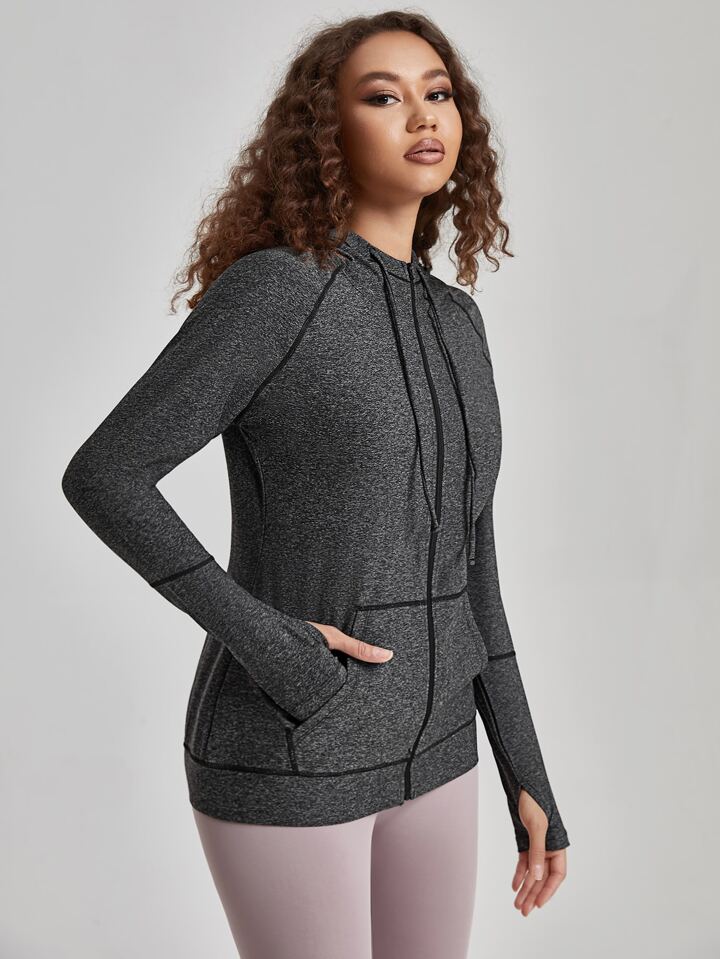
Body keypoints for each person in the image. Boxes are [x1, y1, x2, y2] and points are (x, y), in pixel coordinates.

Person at [61, 10, 570, 958]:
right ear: (328, 131)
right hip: (291, 747)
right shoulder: (280, 292)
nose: (422, 114)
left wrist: (525, 766)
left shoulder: (458, 322)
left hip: (441, 750)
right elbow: (106, 474)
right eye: (383, 97)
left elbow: (472, 563)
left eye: (438, 92)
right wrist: (279, 651)